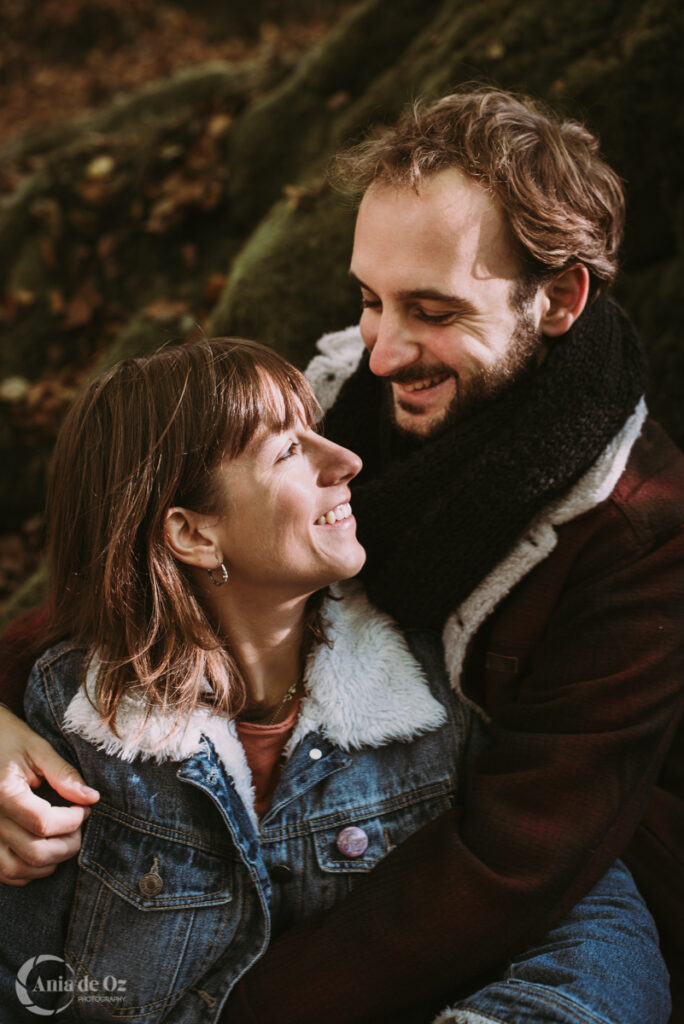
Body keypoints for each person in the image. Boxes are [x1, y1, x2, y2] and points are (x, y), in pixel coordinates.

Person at [0, 88, 682, 1023]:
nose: (385, 353)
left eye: (432, 311)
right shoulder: (339, 397)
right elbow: (147, 575)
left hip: (529, 900)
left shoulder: (636, 532)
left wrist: (237, 1010)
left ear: (558, 296)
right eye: (370, 299)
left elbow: (516, 857)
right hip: (278, 849)